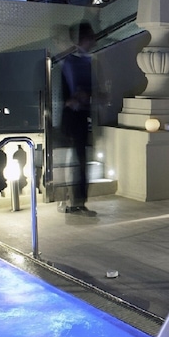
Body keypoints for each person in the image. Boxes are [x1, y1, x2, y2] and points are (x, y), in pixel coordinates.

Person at [60, 20, 99, 216]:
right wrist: (81, 97)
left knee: (79, 160)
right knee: (79, 160)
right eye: (90, 38)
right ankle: (76, 202)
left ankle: (75, 202)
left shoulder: (79, 61)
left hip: (78, 118)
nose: (93, 42)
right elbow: (69, 97)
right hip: (75, 118)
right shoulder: (74, 63)